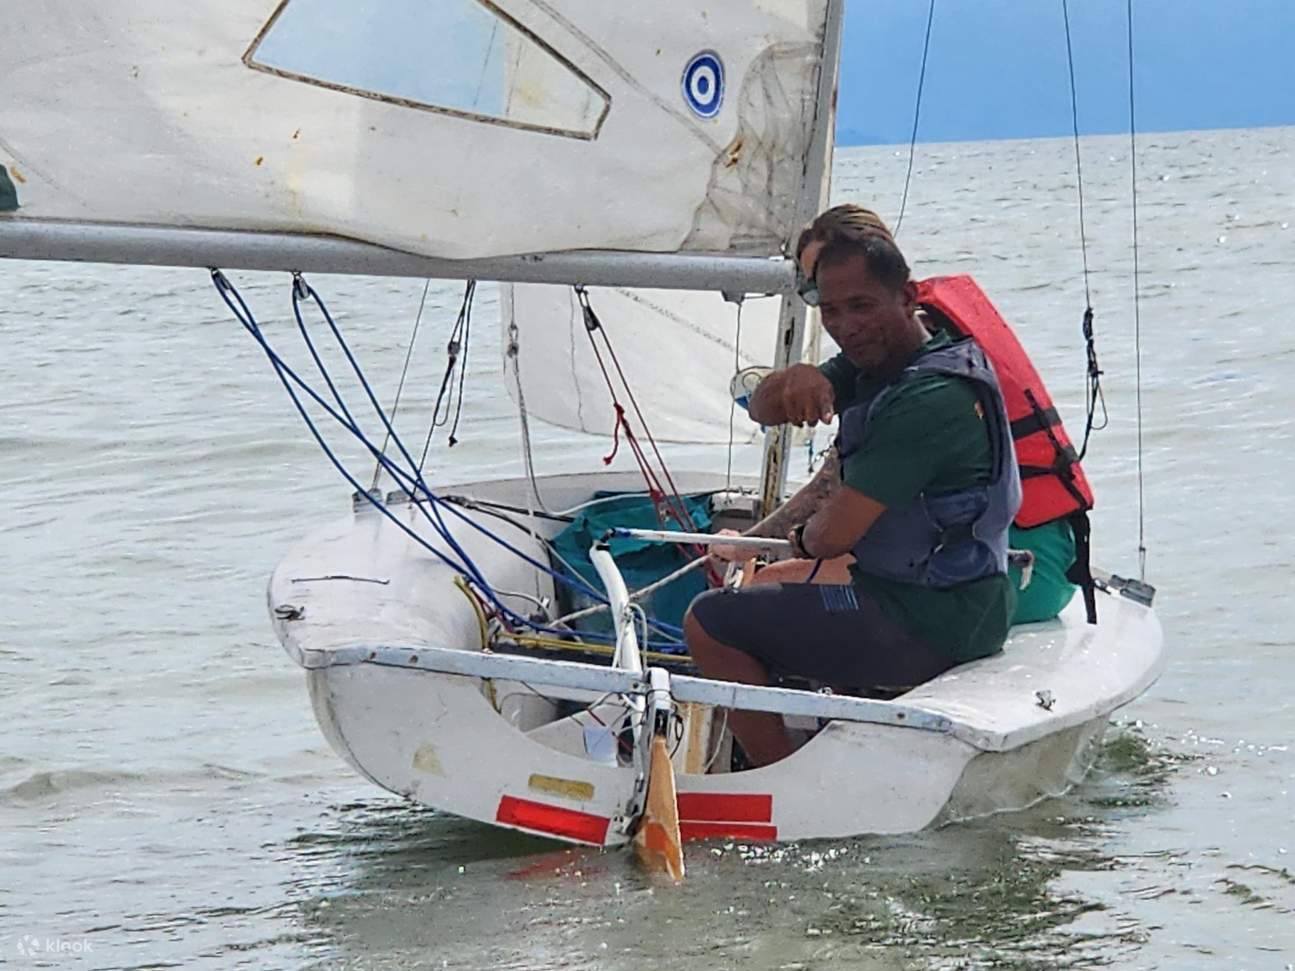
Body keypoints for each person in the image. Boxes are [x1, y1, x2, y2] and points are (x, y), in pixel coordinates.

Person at [684, 209, 1022, 766]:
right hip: (935, 602)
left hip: (929, 623)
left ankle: (777, 778)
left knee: (711, 620)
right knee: (777, 596)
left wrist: (797, 539)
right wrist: (798, 379)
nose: (847, 324)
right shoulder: (886, 360)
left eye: (861, 305)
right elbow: (766, 407)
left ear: (908, 296)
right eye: (832, 311)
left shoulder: (928, 399)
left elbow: (832, 535)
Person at [723, 204, 1095, 624]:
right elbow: (766, 408)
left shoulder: (930, 370)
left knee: (763, 586)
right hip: (1027, 555)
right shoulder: (887, 347)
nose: (829, 303)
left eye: (828, 279)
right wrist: (794, 378)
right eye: (814, 292)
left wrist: (748, 547)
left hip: (1023, 562)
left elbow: (831, 493)